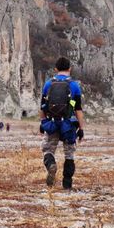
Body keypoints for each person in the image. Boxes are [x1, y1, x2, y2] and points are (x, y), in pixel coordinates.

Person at [39, 57, 86, 190]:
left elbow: (42, 107)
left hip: (52, 123)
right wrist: (81, 129)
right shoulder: (74, 86)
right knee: (69, 154)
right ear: (70, 68)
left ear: (55, 69)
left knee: (48, 149)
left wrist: (42, 123)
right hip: (69, 125)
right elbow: (78, 110)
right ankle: (67, 185)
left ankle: (51, 165)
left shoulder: (48, 84)